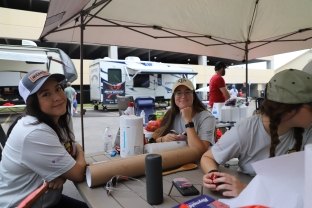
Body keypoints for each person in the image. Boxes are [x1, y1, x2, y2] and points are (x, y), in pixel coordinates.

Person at [201, 69, 312, 197]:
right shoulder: (246, 129)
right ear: (290, 111)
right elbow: (208, 157)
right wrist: (214, 175)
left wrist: (249, 191)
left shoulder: (308, 130)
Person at [0, 70, 88, 207]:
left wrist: (62, 175)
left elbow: (71, 148)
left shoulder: (57, 119)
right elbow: (78, 173)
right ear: (33, 102)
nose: (58, 97)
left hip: (46, 200)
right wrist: (79, 154)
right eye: (46, 94)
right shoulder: (34, 132)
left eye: (58, 89)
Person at [152, 78, 216, 154]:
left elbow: (201, 151)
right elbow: (155, 136)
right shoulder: (172, 113)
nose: (183, 96)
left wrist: (188, 120)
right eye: (179, 93)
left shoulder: (207, 117)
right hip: (178, 159)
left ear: (194, 96)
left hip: (200, 162)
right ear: (174, 97)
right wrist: (163, 139)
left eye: (187, 92)